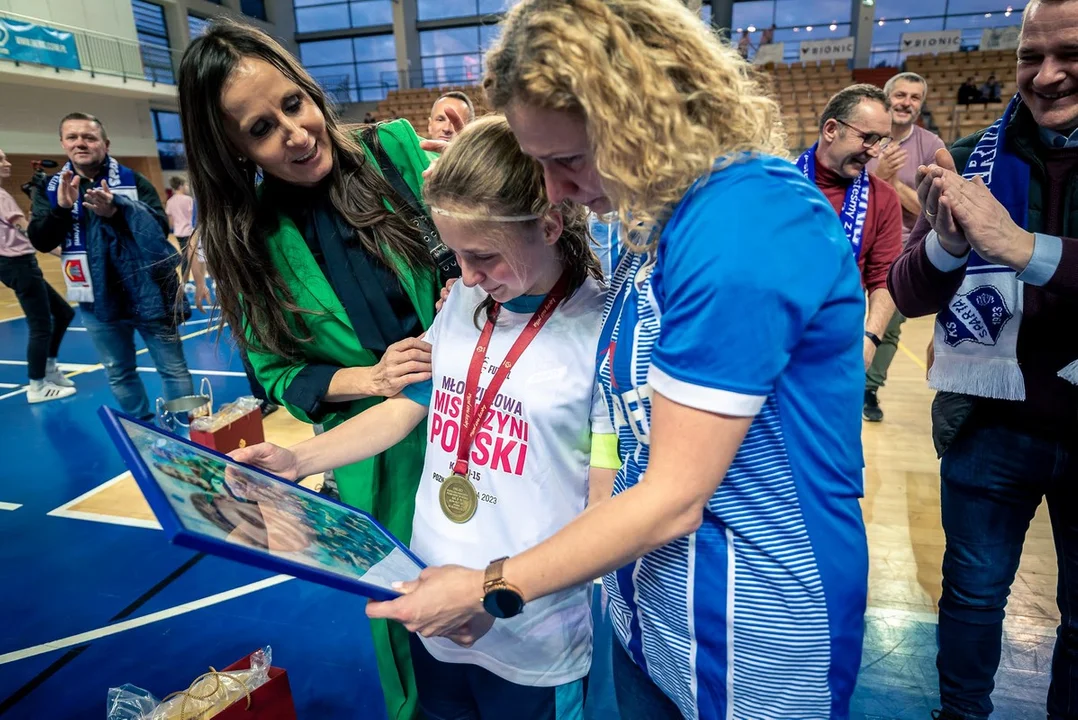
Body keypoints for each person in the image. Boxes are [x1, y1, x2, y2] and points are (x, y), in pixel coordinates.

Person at [364, 2, 869, 718]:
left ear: (643, 113)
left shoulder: (744, 226)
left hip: (752, 625)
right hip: (652, 616)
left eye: (566, 160)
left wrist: (489, 585)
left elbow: (672, 498)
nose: (557, 191)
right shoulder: (649, 226)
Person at [233, 114, 618, 719]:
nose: (464, 277)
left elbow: (606, 515)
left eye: (484, 255)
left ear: (548, 225)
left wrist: (494, 598)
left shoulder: (604, 332)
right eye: (454, 254)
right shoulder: (465, 300)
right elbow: (408, 409)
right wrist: (296, 458)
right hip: (433, 601)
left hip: (525, 628)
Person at [177, 20, 447, 720]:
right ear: (233, 150)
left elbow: (474, 242)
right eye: (263, 128)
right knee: (409, 615)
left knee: (499, 594)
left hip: (480, 419)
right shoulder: (248, 237)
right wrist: (371, 379)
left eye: (294, 104)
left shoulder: (393, 154)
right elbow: (275, 374)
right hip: (376, 449)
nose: (295, 133)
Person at [889, 1, 1078, 718]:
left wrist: (1024, 248)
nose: (1048, 75)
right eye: (1033, 55)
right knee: (970, 594)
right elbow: (906, 292)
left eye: (1072, 55)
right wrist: (947, 242)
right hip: (989, 421)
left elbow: (1021, 250)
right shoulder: (973, 156)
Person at [28, 113, 194, 420]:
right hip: (95, 299)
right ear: (63, 143)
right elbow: (40, 239)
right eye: (73, 137)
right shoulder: (52, 188)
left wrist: (117, 211)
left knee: (173, 368)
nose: (81, 143)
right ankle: (142, 431)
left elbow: (159, 227)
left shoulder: (133, 180)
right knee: (118, 371)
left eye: (89, 137)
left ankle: (184, 433)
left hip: (148, 294)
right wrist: (61, 210)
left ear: (105, 143)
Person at [798, 84, 903, 419]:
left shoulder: (883, 198)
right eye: (868, 138)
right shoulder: (779, 183)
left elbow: (884, 276)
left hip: (839, 346)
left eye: (881, 140)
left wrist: (870, 338)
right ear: (832, 129)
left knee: (830, 453)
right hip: (771, 341)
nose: (875, 151)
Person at [865, 72, 947, 421]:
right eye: (900, 95)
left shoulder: (931, 146)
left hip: (901, 250)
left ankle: (867, 390)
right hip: (853, 242)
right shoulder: (865, 138)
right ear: (887, 98)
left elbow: (936, 209)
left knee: (889, 326)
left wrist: (891, 183)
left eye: (915, 97)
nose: (906, 103)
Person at [0, 147, 76, 403]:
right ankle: (37, 386)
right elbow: (28, 232)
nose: (7, 162)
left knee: (64, 313)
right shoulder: (1, 197)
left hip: (14, 265)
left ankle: (49, 368)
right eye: (1, 159)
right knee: (40, 325)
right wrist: (60, 250)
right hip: (19, 265)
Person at [165, 176, 196, 283]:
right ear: (181, 186)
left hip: (178, 233)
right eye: (186, 185)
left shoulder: (169, 202)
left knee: (186, 256)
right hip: (190, 232)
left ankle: (185, 281)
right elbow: (194, 216)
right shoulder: (188, 200)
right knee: (193, 257)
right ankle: (187, 282)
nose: (187, 187)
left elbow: (170, 221)